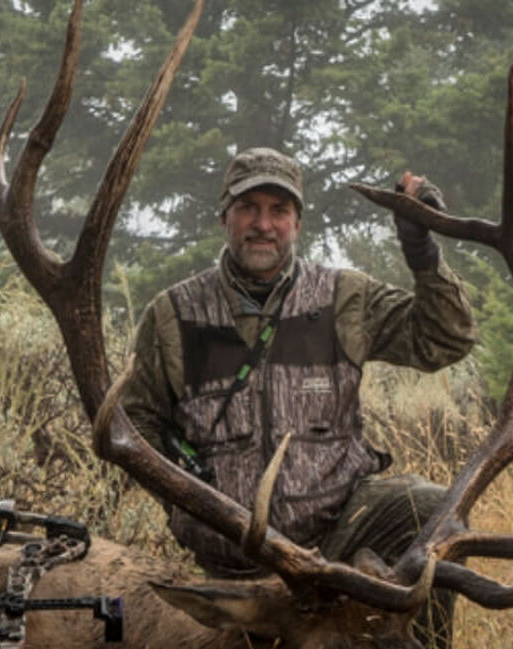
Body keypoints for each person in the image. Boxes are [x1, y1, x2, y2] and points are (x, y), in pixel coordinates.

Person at [121, 146, 475, 580]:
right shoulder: (173, 314)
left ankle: (413, 631)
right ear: (224, 218)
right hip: (226, 556)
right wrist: (182, 502)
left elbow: (446, 338)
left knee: (434, 512)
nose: (263, 224)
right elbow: (134, 422)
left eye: (279, 210)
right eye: (248, 208)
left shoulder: (344, 298)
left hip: (335, 545)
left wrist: (420, 250)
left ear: (297, 223)